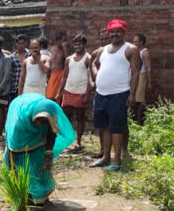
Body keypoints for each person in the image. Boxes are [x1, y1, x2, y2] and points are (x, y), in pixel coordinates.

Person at [5, 94, 76, 205]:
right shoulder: (18, 125)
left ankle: (39, 192)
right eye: (38, 120)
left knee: (39, 164)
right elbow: (13, 150)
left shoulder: (50, 115)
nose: (39, 124)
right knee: (21, 166)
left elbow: (51, 134)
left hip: (37, 132)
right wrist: (13, 171)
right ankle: (26, 193)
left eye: (43, 122)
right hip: (21, 122)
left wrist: (48, 155)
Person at [90, 19, 141, 171]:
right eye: (112, 31)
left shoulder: (130, 49)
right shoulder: (102, 50)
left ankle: (116, 160)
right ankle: (106, 157)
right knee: (104, 127)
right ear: (108, 32)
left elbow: (135, 72)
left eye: (118, 31)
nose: (115, 34)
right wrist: (96, 75)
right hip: (101, 94)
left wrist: (132, 94)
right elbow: (92, 62)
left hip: (119, 94)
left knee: (117, 128)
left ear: (124, 32)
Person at [56, 33, 92, 151]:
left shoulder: (88, 58)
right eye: (75, 45)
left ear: (84, 45)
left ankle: (79, 141)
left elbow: (90, 77)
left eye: (79, 44)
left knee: (80, 118)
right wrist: (59, 92)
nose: (77, 47)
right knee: (66, 118)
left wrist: (87, 94)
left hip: (81, 92)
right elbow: (65, 77)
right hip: (68, 91)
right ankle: (67, 141)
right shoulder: (68, 59)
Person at [89, 28, 109, 158]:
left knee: (115, 124)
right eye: (101, 39)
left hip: (115, 91)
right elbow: (90, 65)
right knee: (101, 124)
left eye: (106, 39)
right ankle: (103, 150)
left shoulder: (118, 52)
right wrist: (92, 81)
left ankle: (121, 151)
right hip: (100, 91)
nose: (104, 41)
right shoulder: (97, 52)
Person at [132, 33, 152, 125]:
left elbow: (148, 68)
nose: (134, 43)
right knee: (133, 99)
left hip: (142, 76)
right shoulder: (135, 51)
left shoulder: (144, 52)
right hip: (134, 76)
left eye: (136, 41)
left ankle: (140, 122)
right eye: (134, 41)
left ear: (141, 42)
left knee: (139, 100)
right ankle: (133, 120)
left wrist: (149, 83)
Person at [46, 31, 69, 100]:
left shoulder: (64, 49)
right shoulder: (51, 49)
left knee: (58, 96)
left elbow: (67, 61)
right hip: (52, 74)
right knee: (49, 95)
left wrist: (65, 50)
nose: (60, 42)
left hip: (60, 74)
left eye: (62, 40)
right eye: (58, 40)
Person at [11, 34, 31, 104]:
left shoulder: (30, 55)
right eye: (19, 43)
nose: (21, 45)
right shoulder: (12, 56)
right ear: (16, 44)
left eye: (23, 43)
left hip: (27, 85)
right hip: (15, 86)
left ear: (26, 43)